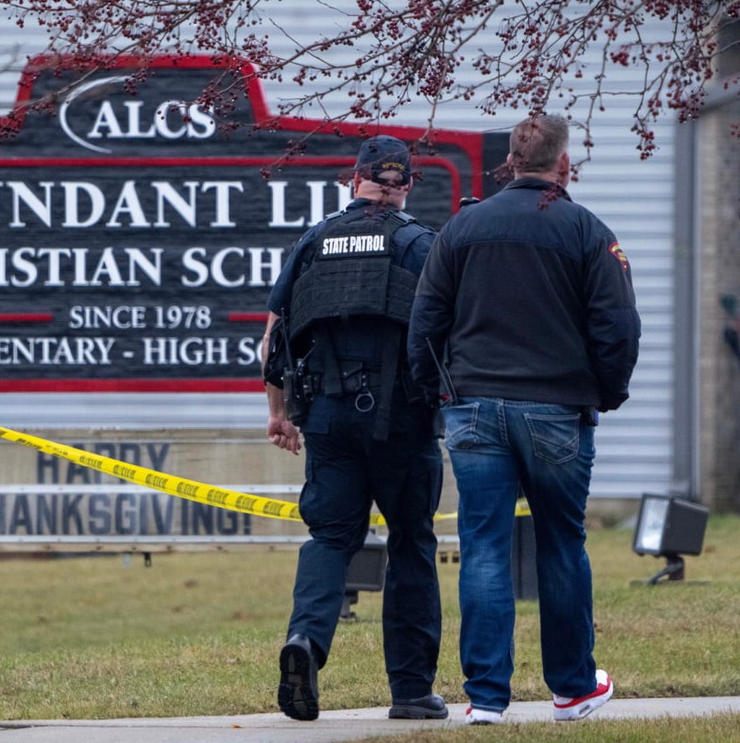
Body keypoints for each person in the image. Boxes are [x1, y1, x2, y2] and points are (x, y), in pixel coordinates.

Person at [407, 114, 641, 725]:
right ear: (564, 165)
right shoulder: (587, 232)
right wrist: (605, 394)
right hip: (556, 411)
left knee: (483, 547)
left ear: (510, 161)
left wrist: (437, 392)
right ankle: (572, 688)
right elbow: (618, 327)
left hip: (473, 409)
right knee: (562, 544)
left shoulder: (462, 228)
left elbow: (426, 320)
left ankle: (486, 699)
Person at [261, 135, 447, 722]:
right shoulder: (422, 245)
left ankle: (306, 643)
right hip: (403, 420)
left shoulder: (314, 242)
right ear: (407, 185)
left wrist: (277, 413)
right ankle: (412, 693)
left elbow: (275, 338)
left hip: (329, 418)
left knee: (330, 538)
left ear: (354, 179)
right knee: (411, 541)